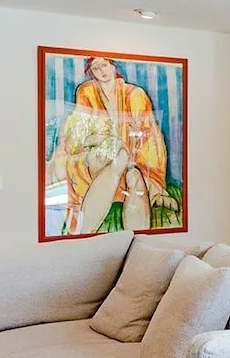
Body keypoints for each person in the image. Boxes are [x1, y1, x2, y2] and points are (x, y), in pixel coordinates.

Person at [47, 56, 176, 234]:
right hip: (96, 161)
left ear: (113, 66)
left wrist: (154, 184)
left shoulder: (136, 95)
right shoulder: (86, 92)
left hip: (131, 164)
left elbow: (150, 140)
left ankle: (136, 241)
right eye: (96, 68)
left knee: (134, 176)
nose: (102, 71)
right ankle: (85, 232)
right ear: (91, 73)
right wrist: (106, 142)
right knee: (117, 155)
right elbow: (79, 134)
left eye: (104, 65)